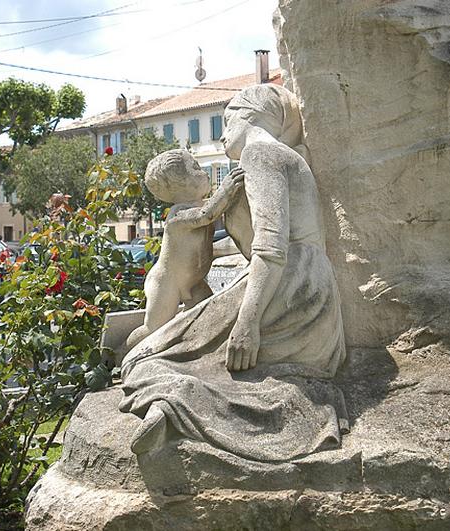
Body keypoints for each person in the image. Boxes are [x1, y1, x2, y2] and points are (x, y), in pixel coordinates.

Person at [118, 84, 347, 462]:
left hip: (288, 294)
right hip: (313, 295)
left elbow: (270, 250)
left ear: (250, 116)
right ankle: (169, 408)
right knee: (179, 348)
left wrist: (247, 323)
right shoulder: (289, 156)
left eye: (226, 121)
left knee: (143, 361)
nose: (223, 135)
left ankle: (171, 407)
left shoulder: (259, 153)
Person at [124, 149, 244, 353]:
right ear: (178, 185)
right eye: (196, 168)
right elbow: (206, 215)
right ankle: (121, 353)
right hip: (166, 282)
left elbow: (213, 245)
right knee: (153, 328)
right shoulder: (177, 216)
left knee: (209, 314)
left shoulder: (201, 206)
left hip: (194, 283)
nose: (205, 174)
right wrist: (226, 188)